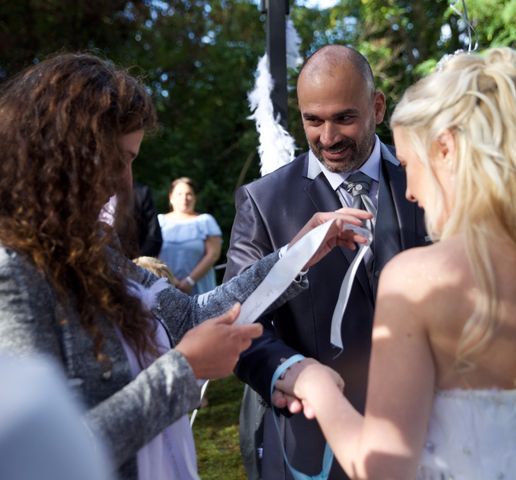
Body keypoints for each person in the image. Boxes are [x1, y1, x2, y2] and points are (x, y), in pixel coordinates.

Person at [0, 52, 370, 480]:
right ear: (61, 157)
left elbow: (192, 315)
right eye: (118, 158)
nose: (126, 181)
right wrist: (184, 371)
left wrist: (298, 254)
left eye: (131, 160)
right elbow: (39, 457)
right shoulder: (14, 276)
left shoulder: (96, 255)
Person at [276, 47, 516, 479]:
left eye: (409, 164)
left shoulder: (417, 281)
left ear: (445, 149)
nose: (409, 190)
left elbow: (383, 470)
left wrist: (317, 389)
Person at [224, 44, 429, 479]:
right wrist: (289, 371)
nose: (328, 137)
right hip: (314, 438)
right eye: (312, 120)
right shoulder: (263, 202)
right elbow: (237, 321)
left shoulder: (428, 178)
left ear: (376, 106)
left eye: (344, 118)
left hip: (431, 427)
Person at [159, 177, 223, 294]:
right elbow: (150, 254)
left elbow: (213, 254)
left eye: (189, 194)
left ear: (195, 198)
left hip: (200, 289)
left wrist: (189, 281)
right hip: (165, 288)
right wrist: (172, 280)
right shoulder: (159, 221)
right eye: (179, 194)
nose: (184, 198)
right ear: (171, 197)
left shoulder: (205, 221)